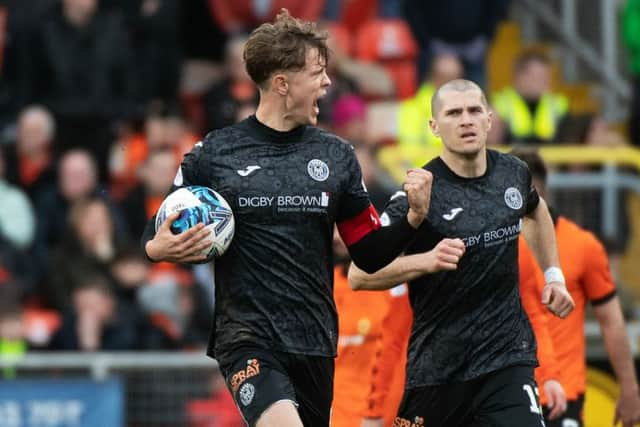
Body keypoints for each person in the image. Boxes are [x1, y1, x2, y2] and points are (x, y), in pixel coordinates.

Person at [141, 10, 430, 427]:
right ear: (282, 84)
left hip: (315, 340)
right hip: (247, 338)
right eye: (317, 73)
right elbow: (157, 227)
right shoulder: (215, 154)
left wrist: (412, 216)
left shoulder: (337, 157)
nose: (328, 83)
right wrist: (157, 248)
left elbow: (367, 253)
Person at [349, 79, 575, 427]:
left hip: (507, 361)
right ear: (435, 127)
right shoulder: (420, 191)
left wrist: (554, 276)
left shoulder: (513, 173)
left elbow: (535, 211)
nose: (466, 120)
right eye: (454, 113)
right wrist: (427, 261)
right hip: (439, 373)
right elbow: (359, 274)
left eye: (473, 111)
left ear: (488, 118)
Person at [512, 148, 640, 427]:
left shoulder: (582, 246)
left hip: (563, 394)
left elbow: (611, 320)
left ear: (544, 192)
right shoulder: (495, 245)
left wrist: (629, 388)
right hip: (507, 391)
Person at [492, 51, 568, 144]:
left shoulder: (557, 104)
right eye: (538, 77)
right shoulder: (499, 105)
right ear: (519, 77)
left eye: (547, 77)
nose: (545, 82)